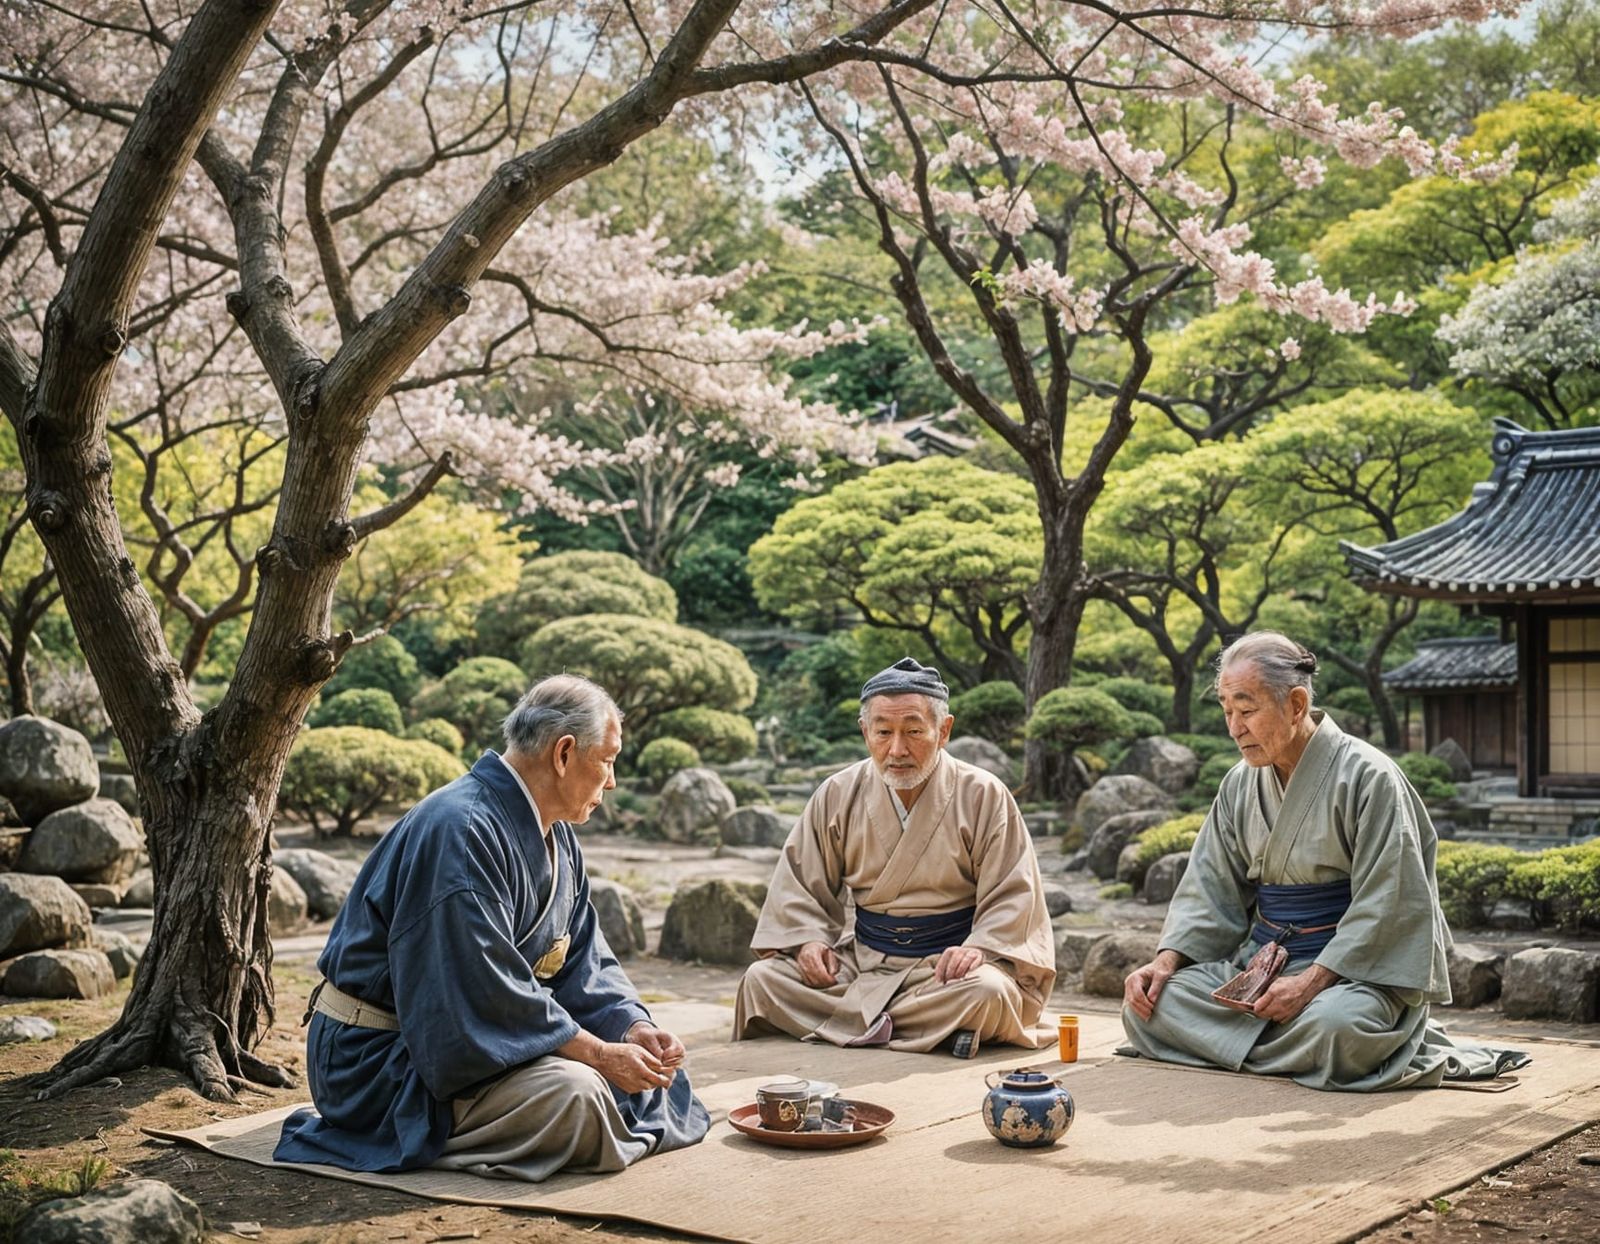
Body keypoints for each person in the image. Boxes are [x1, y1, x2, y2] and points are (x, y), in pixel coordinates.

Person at [276, 674, 710, 1178]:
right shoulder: (459, 830)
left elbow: (586, 963)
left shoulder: (559, 838)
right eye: (608, 761)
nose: (611, 782)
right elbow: (474, 991)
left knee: (655, 1080)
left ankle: (518, 1119)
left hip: (484, 1038)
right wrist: (594, 1052)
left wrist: (633, 1027)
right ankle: (427, 1140)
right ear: (564, 753)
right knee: (579, 1093)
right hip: (383, 1059)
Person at [1121, 632, 1528, 1091]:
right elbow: (1208, 888)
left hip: (1348, 976)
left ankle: (1239, 1046)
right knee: (1152, 1006)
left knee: (1340, 1029)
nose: (1234, 727)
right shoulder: (1238, 784)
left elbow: (1390, 903)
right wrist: (1166, 963)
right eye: (1226, 709)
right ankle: (1288, 1055)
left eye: (1247, 709)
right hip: (1260, 968)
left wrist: (1311, 983)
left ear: (1295, 704)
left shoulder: (1370, 777)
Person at [733, 657, 1055, 1058]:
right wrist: (807, 941)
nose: (897, 749)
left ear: (944, 731)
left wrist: (981, 948)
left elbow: (1014, 894)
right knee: (763, 981)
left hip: (946, 972)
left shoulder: (983, 794)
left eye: (914, 731)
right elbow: (800, 884)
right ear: (865, 732)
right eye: (883, 732)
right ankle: (929, 1031)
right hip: (864, 961)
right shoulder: (837, 793)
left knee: (987, 992)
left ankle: (859, 1022)